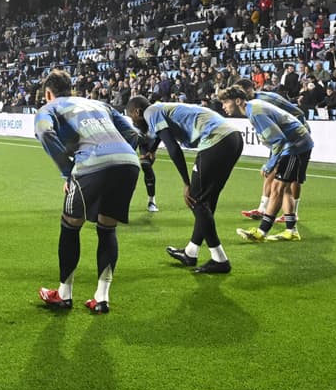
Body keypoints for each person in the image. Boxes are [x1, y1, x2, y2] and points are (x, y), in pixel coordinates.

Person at [36, 70, 140, 314]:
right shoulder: (98, 103)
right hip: (128, 162)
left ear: (48, 93)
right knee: (107, 227)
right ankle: (101, 297)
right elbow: (133, 134)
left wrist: (67, 171)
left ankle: (64, 294)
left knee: (71, 225)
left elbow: (45, 132)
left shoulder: (49, 108)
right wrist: (121, 157)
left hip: (91, 164)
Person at [126, 96, 243, 273]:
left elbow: (173, 148)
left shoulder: (150, 112)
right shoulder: (159, 109)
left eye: (132, 117)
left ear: (137, 112)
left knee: (196, 199)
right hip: (233, 138)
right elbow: (162, 134)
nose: (134, 122)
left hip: (215, 138)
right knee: (207, 201)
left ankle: (219, 259)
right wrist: (152, 150)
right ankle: (191, 252)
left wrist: (186, 183)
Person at [219, 86, 314, 242]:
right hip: (295, 144)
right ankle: (291, 231)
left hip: (295, 146)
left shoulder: (255, 112)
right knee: (283, 188)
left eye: (226, 102)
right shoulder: (253, 108)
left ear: (237, 101)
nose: (223, 107)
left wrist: (269, 165)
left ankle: (262, 232)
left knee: (278, 187)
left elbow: (278, 140)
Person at [232, 79, 311, 223]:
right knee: (271, 172)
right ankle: (263, 209)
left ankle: (294, 213)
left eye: (241, 91)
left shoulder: (268, 99)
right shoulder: (251, 106)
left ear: (250, 89)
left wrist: (297, 133)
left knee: (294, 178)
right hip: (279, 139)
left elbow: (298, 113)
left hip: (294, 139)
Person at [139, 135, 159, 213]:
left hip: (149, 136)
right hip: (135, 134)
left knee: (146, 165)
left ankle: (151, 201)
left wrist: (152, 150)